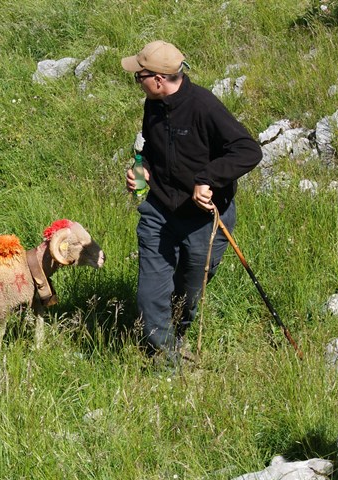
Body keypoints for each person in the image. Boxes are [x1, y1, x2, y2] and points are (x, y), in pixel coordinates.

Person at [121, 40, 262, 362]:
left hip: (204, 220)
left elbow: (248, 150)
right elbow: (150, 152)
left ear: (158, 78)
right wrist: (140, 170)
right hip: (159, 212)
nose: (137, 83)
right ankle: (165, 359)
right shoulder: (152, 105)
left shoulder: (204, 106)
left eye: (138, 76)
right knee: (150, 295)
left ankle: (177, 336)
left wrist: (208, 179)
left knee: (188, 292)